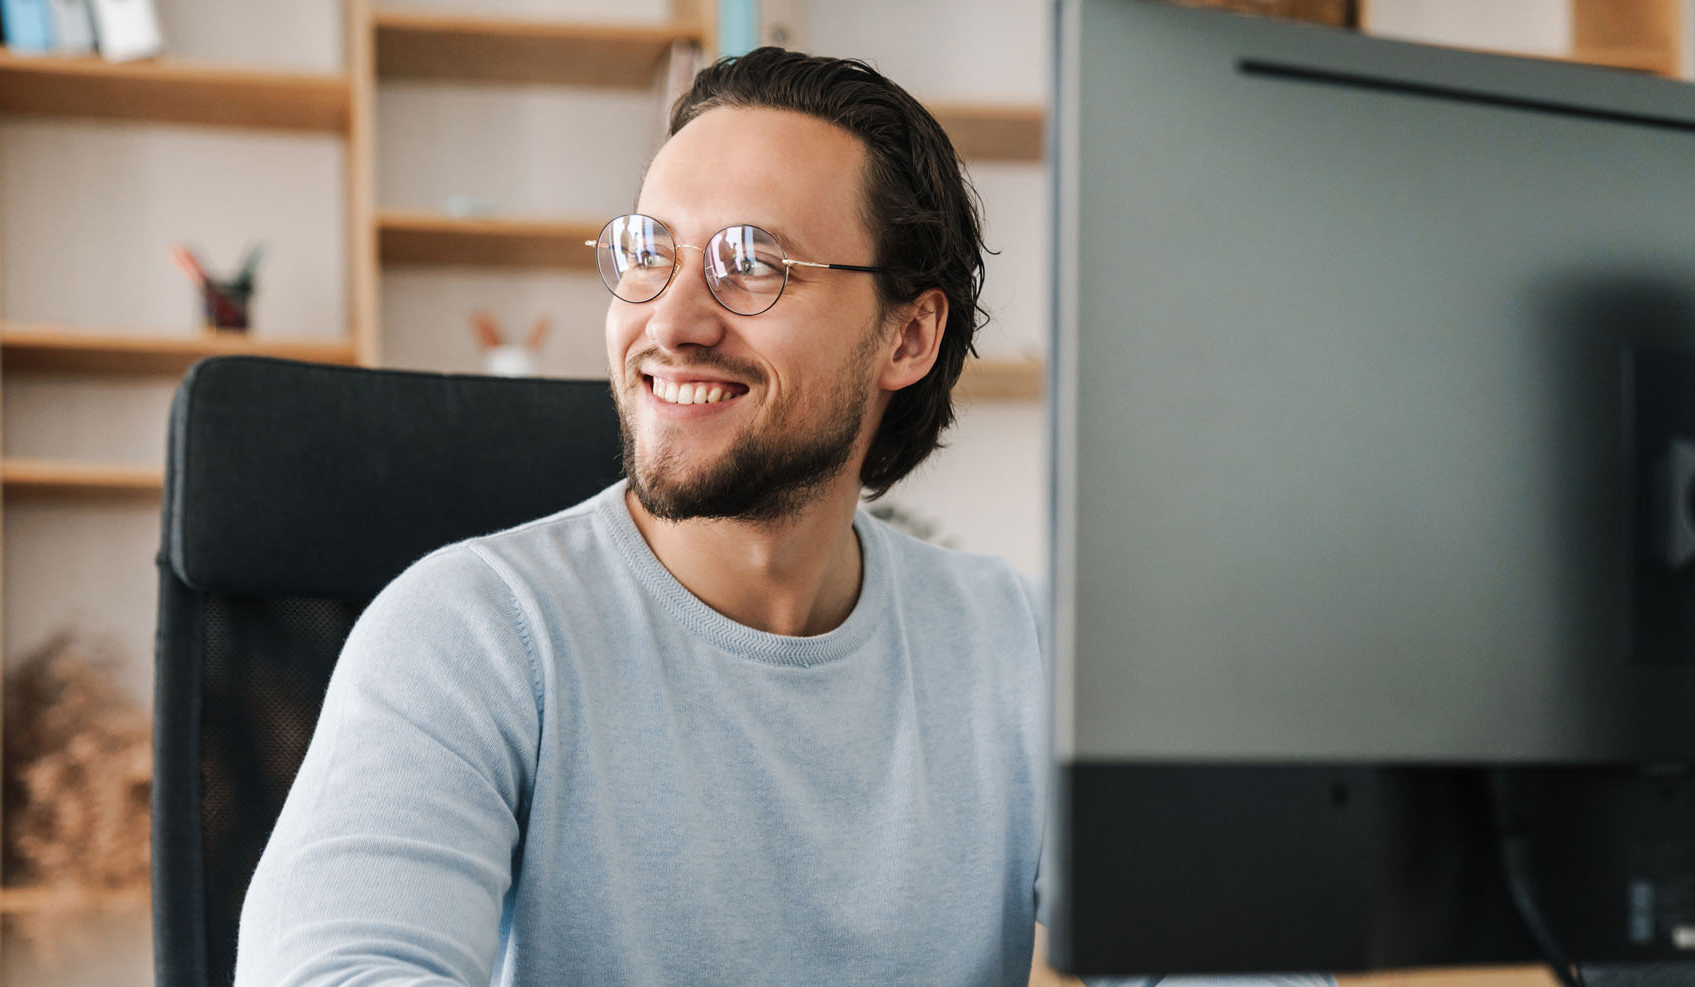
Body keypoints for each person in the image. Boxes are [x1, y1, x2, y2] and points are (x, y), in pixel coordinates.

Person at [236, 47, 1330, 987]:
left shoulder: (1030, 652)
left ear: (908, 337)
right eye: (647, 253)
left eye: (751, 264)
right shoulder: (472, 634)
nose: (670, 320)